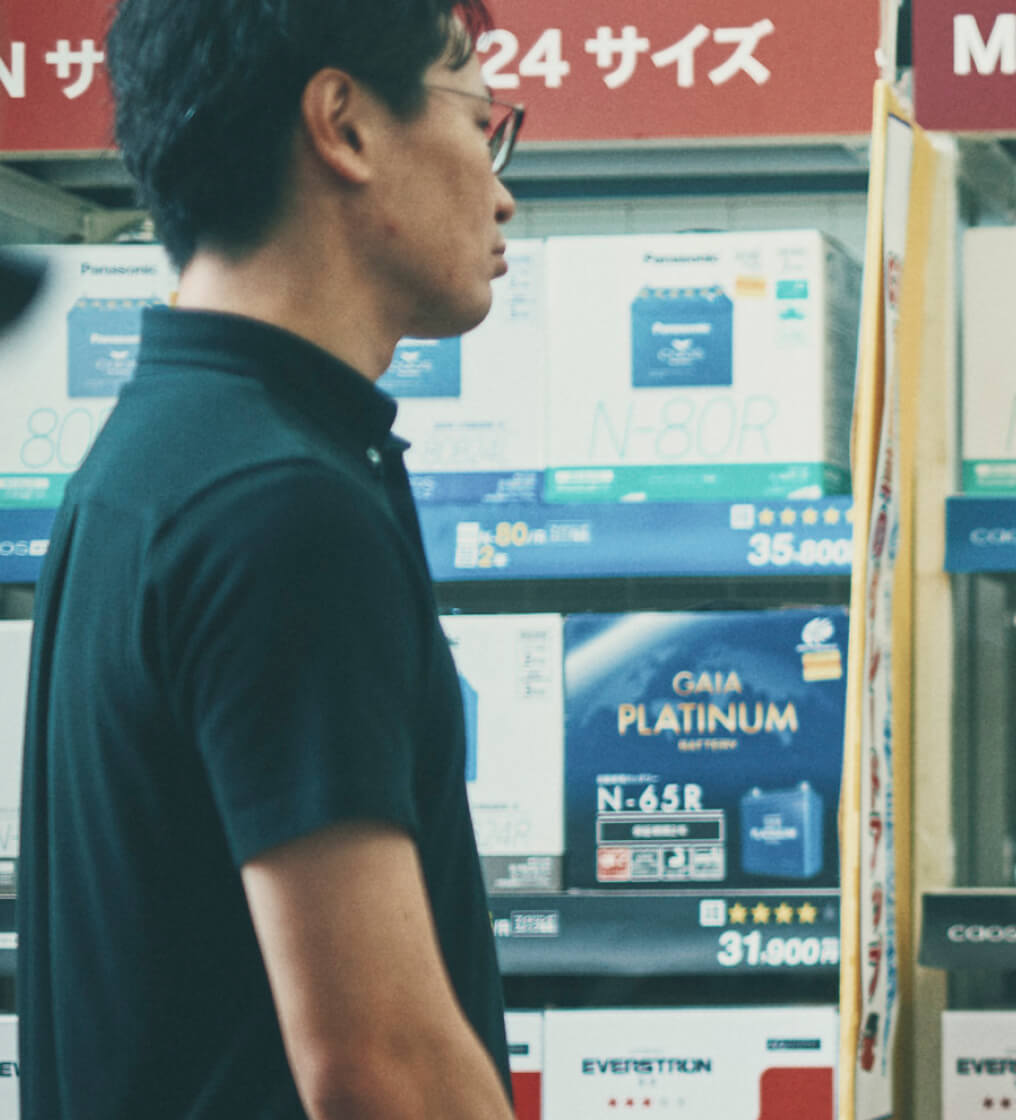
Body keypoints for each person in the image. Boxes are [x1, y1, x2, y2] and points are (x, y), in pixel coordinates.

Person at [18, 1, 526, 1116]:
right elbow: (380, 1063)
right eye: (480, 122)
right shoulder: (282, 507)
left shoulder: (157, 458)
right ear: (342, 124)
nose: (502, 194)